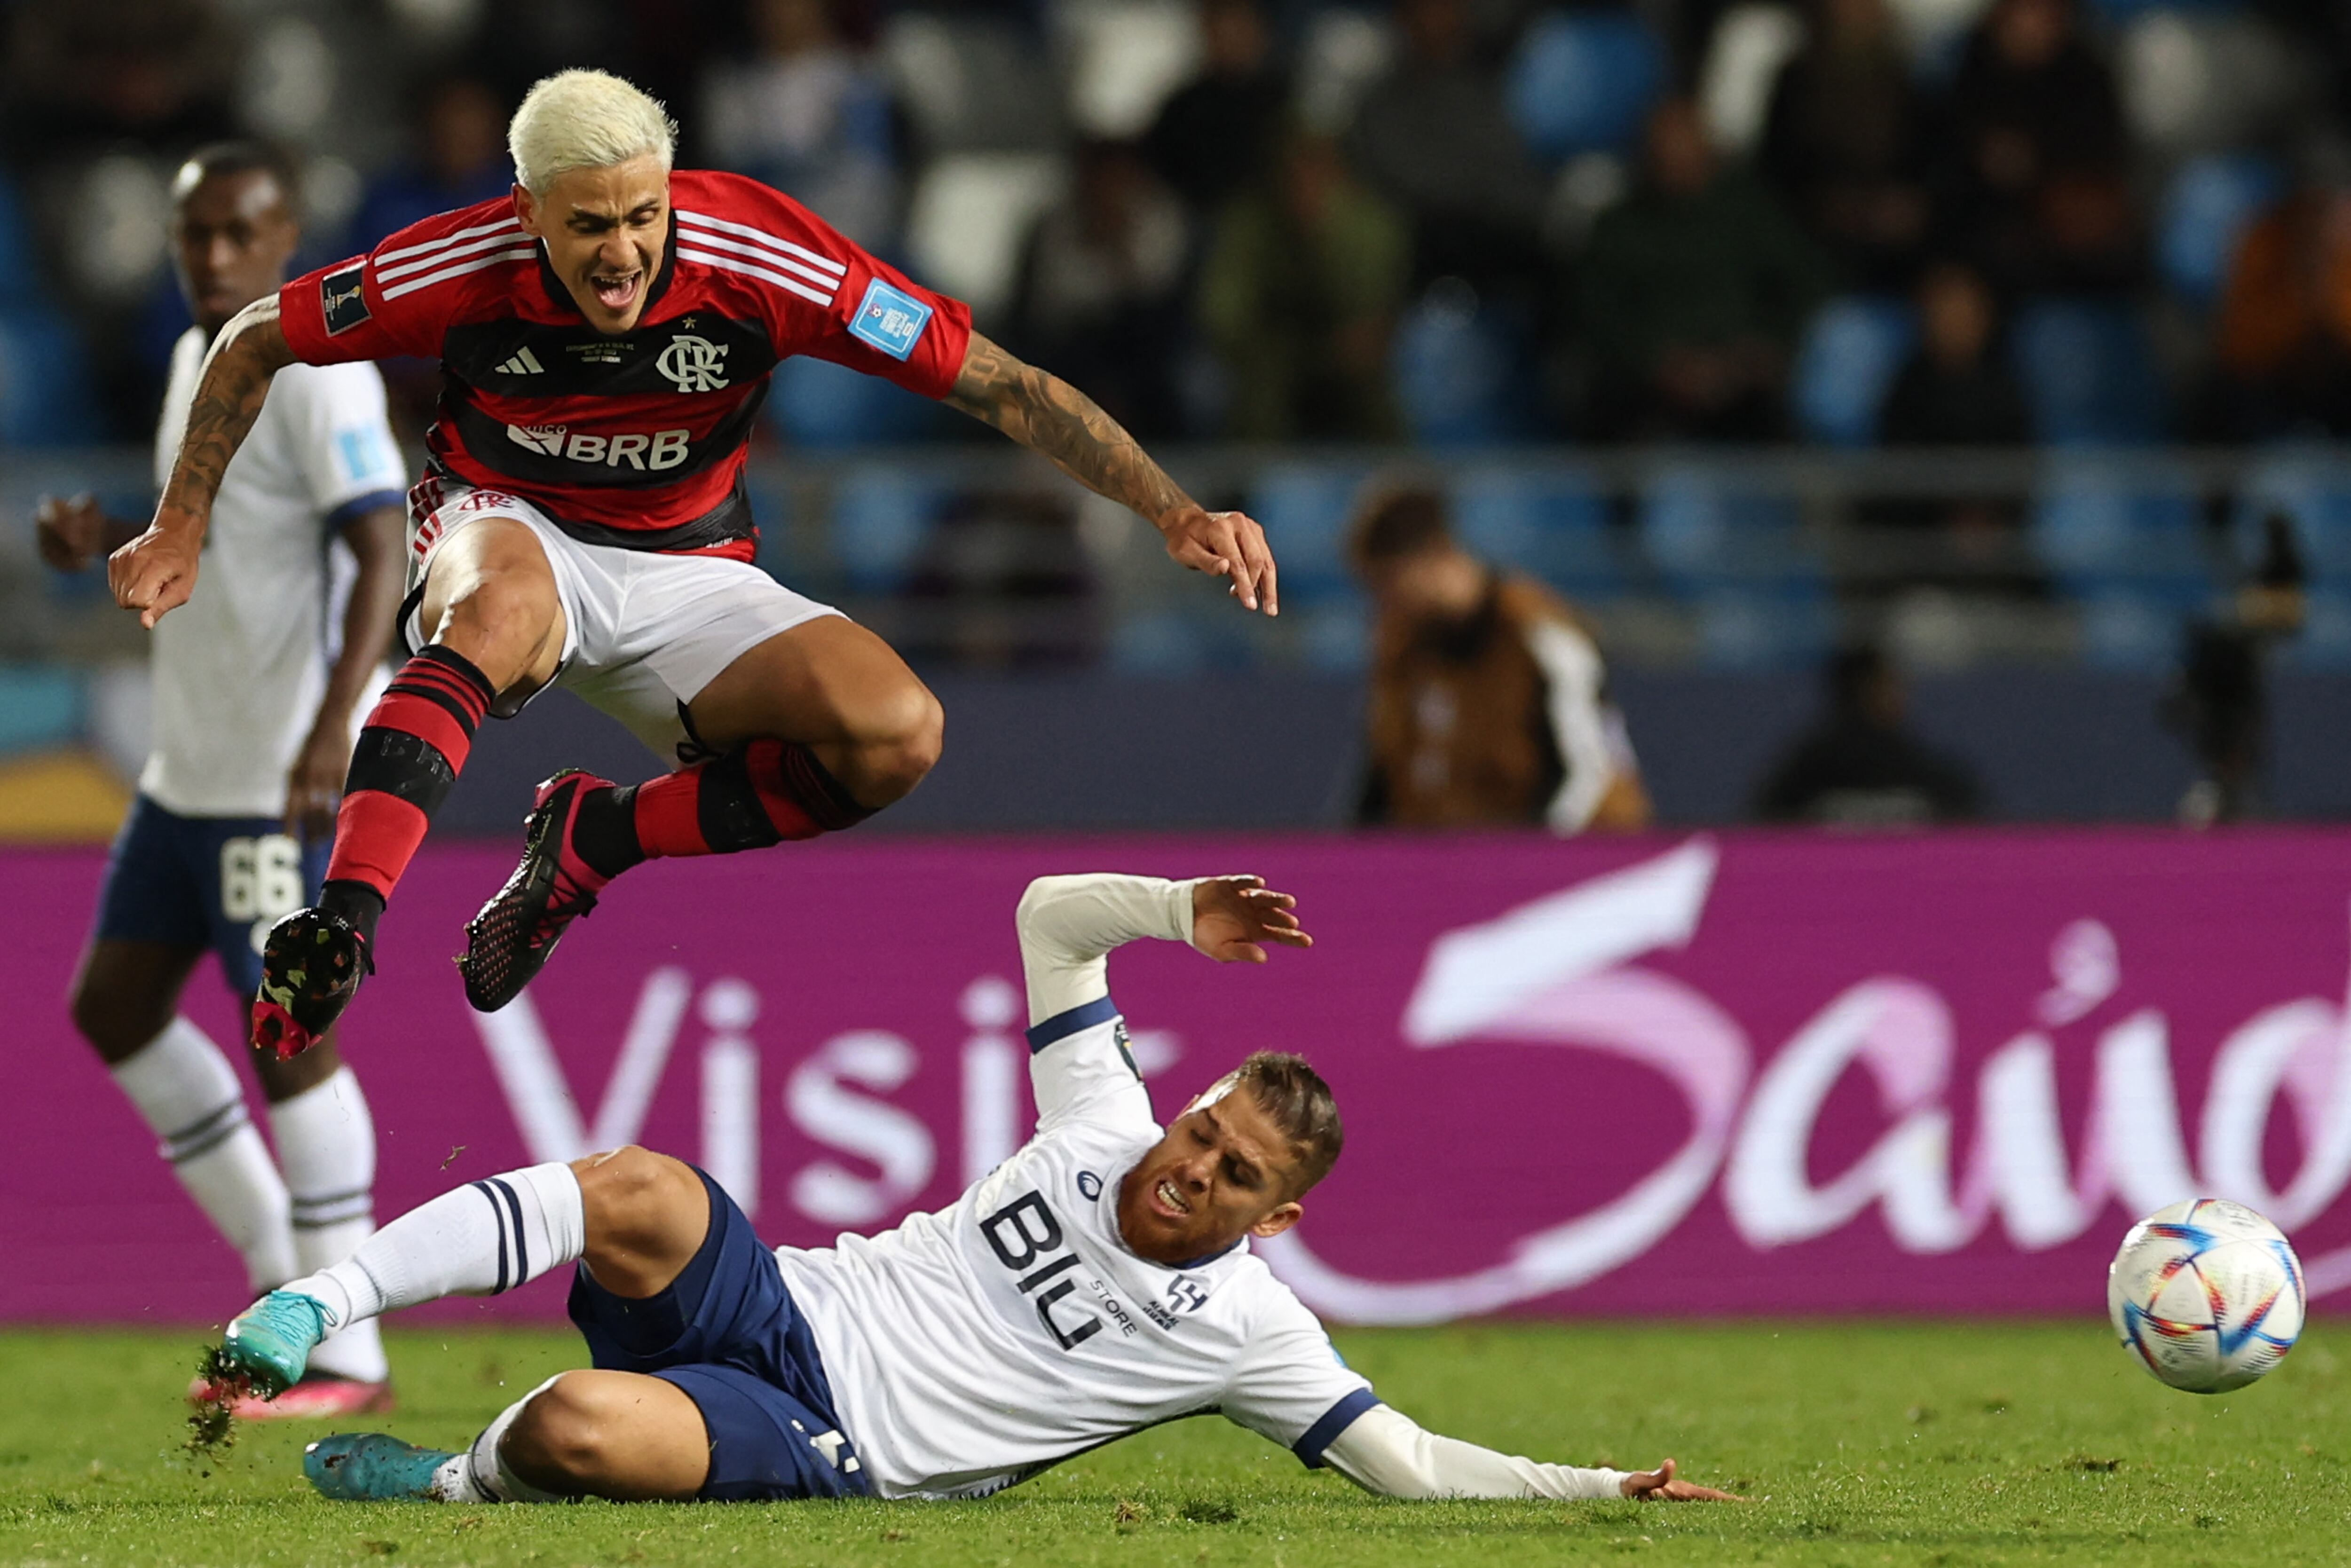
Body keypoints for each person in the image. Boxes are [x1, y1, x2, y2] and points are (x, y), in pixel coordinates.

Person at [107, 70, 1282, 1060]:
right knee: (499, 603)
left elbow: (996, 383)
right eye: (587, 226)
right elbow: (259, 333)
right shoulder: (458, 266)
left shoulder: (767, 256)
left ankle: (595, 839)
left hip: (690, 560)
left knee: (897, 735)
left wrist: (1170, 510)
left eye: (642, 216)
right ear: (527, 211)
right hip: (509, 518)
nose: (621, 253)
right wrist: (180, 525)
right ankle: (342, 927)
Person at [207, 871, 1739, 1507]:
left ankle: (453, 1482)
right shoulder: (1100, 1120)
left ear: (1274, 1219)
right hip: (785, 1296)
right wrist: (1171, 912)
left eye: (1234, 1176)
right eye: (1203, 1129)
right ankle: (316, 1297)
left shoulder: (1251, 1333)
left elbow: (1402, 1463)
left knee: (575, 1425)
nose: (1188, 1166)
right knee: (646, 1183)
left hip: (833, 1436)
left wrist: (1599, 1489)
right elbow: (1047, 920)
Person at [34, 143, 408, 1416]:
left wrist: (329, 727)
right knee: (115, 1006)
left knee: (291, 1035)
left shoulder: (318, 367)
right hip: (183, 768)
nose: (209, 257)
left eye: (235, 234)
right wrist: (106, 544)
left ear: (284, 237)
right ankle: (274, 1275)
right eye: (193, 235)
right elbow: (217, 542)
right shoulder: (205, 360)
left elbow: (379, 541)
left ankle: (346, 1342)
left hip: (271, 773)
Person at [1350, 486, 1650, 833]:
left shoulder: (1540, 634)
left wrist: (1516, 866)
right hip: (1455, 866)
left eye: (1389, 584)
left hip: (1575, 863)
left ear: (1434, 558)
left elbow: (1585, 772)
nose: (1384, 604)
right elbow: (1384, 774)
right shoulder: (1402, 649)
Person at [1579, 97, 1830, 442]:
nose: (1677, 154)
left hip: (1749, 385)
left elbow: (1807, 283)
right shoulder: (1617, 229)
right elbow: (1595, 316)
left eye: (1686, 138)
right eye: (1665, 144)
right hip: (1650, 397)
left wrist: (1771, 347)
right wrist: (1659, 363)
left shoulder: (1751, 212)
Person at [1197, 129, 1410, 440]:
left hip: (1357, 350)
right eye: (1293, 171)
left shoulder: (1373, 226)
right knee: (1260, 383)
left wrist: (1322, 241)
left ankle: (1398, 470)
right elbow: (1222, 310)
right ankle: (1256, 477)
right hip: (1276, 349)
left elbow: (1375, 311)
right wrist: (1264, 345)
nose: (1305, 183)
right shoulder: (1249, 224)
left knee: (1379, 378)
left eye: (1317, 168)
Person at [1756, 0, 1933, 292]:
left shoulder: (1906, 84)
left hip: (1891, 250)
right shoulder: (1796, 81)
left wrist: (1900, 207)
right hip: (1809, 237)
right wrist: (1832, 206)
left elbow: (1923, 164)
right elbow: (1777, 170)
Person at [701, 0, 900, 252]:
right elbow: (730, 182)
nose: (781, 13)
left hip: (850, 236)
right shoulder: (732, 87)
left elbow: (869, 181)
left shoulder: (857, 79)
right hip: (764, 242)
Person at [1752, 645, 1983, 825]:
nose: (1902, 694)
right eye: (1889, 684)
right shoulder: (1812, 766)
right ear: (1863, 689)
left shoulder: (1917, 764)